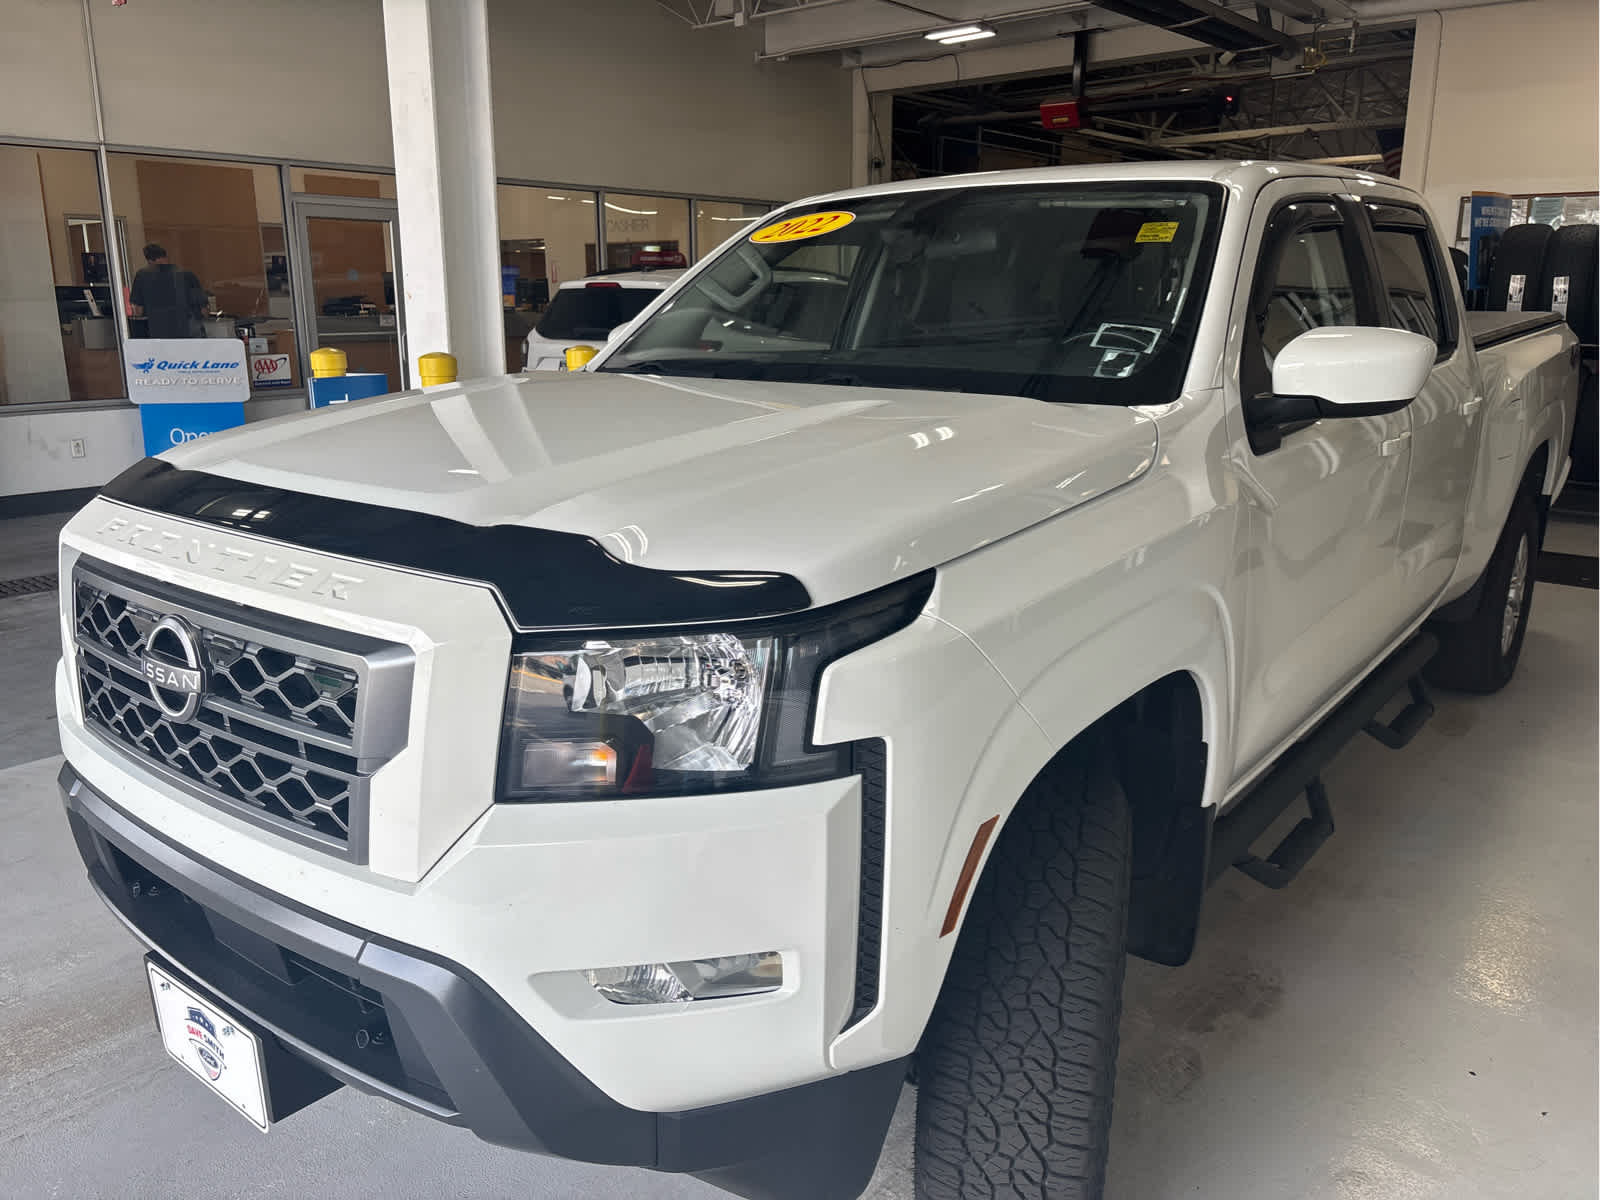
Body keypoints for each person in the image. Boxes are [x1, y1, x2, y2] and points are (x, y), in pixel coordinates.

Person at [128, 243, 207, 338]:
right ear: (166, 257)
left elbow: (138, 311)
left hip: (157, 333)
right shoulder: (187, 275)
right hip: (186, 332)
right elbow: (203, 310)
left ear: (149, 261)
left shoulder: (142, 276)